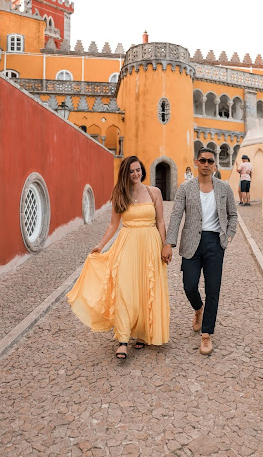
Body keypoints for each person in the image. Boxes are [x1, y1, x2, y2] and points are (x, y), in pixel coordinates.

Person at [67, 155, 170, 360]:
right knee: (124, 289)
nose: (135, 173)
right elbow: (113, 225)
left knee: (145, 288)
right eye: (131, 170)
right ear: (125, 173)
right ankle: (123, 339)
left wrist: (165, 245)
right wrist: (100, 245)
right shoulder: (119, 194)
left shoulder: (154, 192)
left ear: (142, 170)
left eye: (138, 169)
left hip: (150, 244)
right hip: (127, 244)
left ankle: (141, 333)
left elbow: (160, 221)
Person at [161, 148, 237, 355]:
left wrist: (227, 237)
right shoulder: (185, 188)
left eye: (210, 161)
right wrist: (169, 243)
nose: (206, 164)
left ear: (214, 165)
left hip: (215, 243)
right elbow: (176, 216)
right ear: (196, 162)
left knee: (213, 289)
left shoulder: (224, 188)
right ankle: (198, 309)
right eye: (202, 160)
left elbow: (233, 215)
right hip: (191, 242)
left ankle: (206, 334)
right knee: (189, 286)